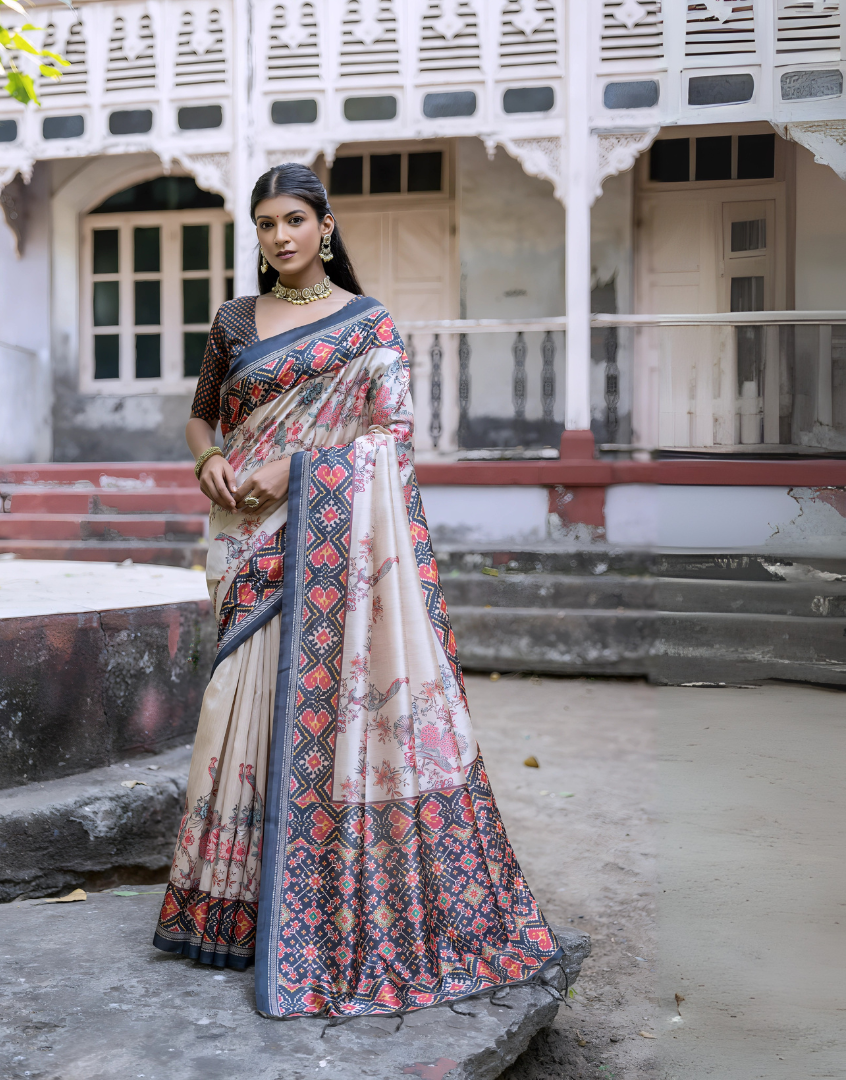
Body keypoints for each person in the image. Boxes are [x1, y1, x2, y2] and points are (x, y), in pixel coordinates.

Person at [154, 162, 559, 1018]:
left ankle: (324, 904)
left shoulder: (369, 328)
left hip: (332, 542)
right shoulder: (234, 321)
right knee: (239, 700)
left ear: (326, 226)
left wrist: (292, 470)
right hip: (249, 544)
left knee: (337, 716)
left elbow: (392, 439)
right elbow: (201, 412)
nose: (280, 236)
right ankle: (228, 908)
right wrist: (213, 458)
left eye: (294, 219)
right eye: (265, 224)